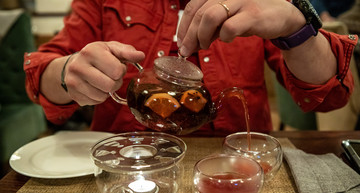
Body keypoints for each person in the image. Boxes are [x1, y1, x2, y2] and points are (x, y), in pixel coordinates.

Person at [24, 0, 358, 136]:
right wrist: (68, 72)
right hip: (127, 165)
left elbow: (329, 97)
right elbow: (41, 76)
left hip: (234, 165)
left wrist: (294, 25)